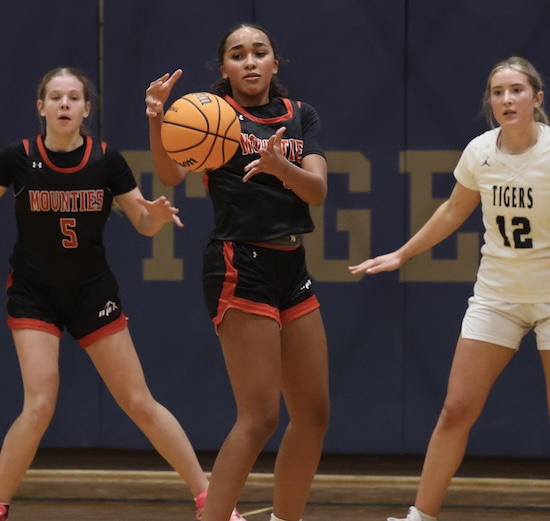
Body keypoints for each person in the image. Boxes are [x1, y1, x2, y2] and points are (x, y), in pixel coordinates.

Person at [0, 66, 241, 521]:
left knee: (138, 402)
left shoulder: (106, 160)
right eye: (56, 97)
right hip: (34, 293)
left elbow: (143, 222)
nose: (65, 104)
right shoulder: (17, 157)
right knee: (39, 406)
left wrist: (156, 216)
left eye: (74, 97)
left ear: (87, 109)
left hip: (92, 292)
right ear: (41, 107)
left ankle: (210, 500)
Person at [349, 55, 550, 521]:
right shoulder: (479, 151)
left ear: (537, 98)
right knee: (456, 409)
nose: (506, 100)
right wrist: (403, 253)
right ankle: (421, 516)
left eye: (516, 90)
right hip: (497, 296)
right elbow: (452, 211)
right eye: (497, 93)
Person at [145, 23, 330, 521]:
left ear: (274, 63)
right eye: (238, 54)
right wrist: (158, 119)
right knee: (260, 418)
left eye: (259, 52)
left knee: (313, 415)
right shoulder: (214, 115)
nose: (249, 61)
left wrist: (280, 167)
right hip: (239, 262)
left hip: (292, 264)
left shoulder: (301, 115)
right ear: (224, 68)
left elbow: (316, 191)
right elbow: (170, 174)